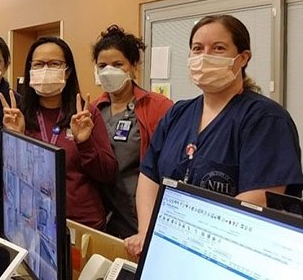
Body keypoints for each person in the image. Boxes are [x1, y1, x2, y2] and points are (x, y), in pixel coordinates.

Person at [125, 15, 303, 258]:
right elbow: (149, 175)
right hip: (167, 246)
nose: (204, 56)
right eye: (197, 49)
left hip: (228, 256)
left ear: (242, 58)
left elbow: (261, 197)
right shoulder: (178, 113)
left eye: (218, 48)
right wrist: (148, 232)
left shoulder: (265, 119)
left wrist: (190, 243)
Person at [0, 36, 117, 229]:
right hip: (33, 220)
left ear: (68, 71)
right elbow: (10, 179)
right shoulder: (18, 116)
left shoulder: (85, 114)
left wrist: (85, 143)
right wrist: (16, 138)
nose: (45, 70)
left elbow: (107, 174)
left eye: (54, 64)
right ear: (30, 71)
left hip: (79, 223)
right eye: (38, 64)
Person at [91, 25, 173, 239]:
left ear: (134, 66)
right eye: (102, 65)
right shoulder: (93, 110)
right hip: (106, 215)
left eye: (118, 64)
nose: (109, 71)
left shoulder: (158, 107)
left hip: (142, 214)